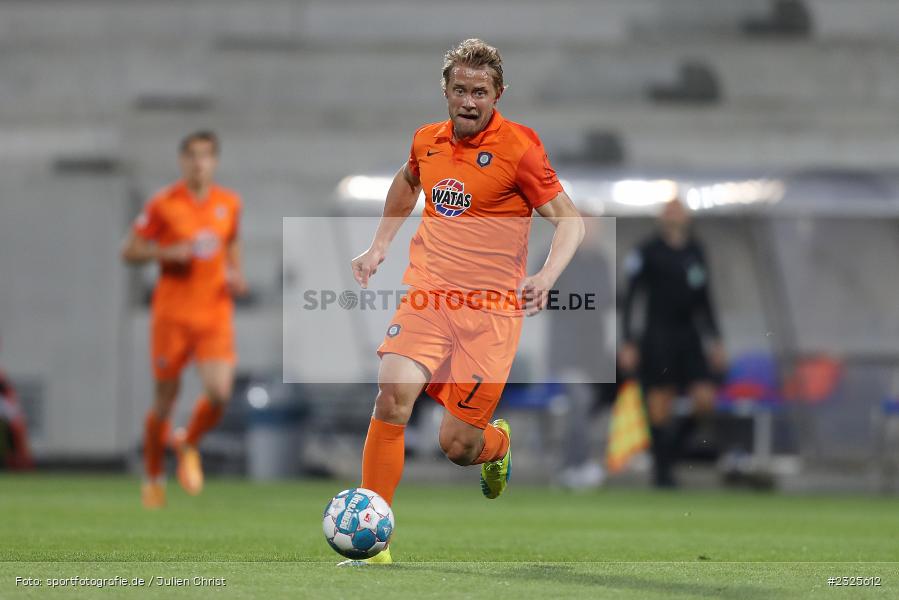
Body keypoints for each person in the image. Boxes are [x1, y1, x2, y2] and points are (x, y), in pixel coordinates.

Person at [347, 39, 584, 565]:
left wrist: (546, 275)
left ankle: (497, 445)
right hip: (429, 297)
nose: (469, 102)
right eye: (460, 90)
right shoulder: (426, 140)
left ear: (498, 94)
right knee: (391, 396)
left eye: (480, 92)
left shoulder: (520, 148)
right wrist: (380, 244)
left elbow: (570, 221)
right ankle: (373, 540)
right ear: (446, 91)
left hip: (490, 316)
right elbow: (408, 182)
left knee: (457, 446)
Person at [121, 131, 247, 509]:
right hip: (172, 315)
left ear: (215, 161)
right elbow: (130, 250)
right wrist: (164, 252)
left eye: (205, 155)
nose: (198, 162)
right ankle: (153, 477)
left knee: (220, 393)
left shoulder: (229, 203)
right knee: (165, 399)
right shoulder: (164, 204)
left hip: (214, 312)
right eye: (192, 155)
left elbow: (231, 241)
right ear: (182, 160)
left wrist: (236, 272)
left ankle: (187, 441)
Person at [619, 197, 726, 488]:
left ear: (687, 217)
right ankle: (662, 472)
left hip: (689, 335)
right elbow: (631, 299)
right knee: (659, 402)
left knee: (705, 399)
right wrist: (628, 341)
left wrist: (716, 339)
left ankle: (670, 453)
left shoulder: (695, 251)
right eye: (668, 210)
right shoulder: (647, 251)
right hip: (658, 335)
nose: (673, 215)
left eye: (677, 210)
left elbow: (705, 299)